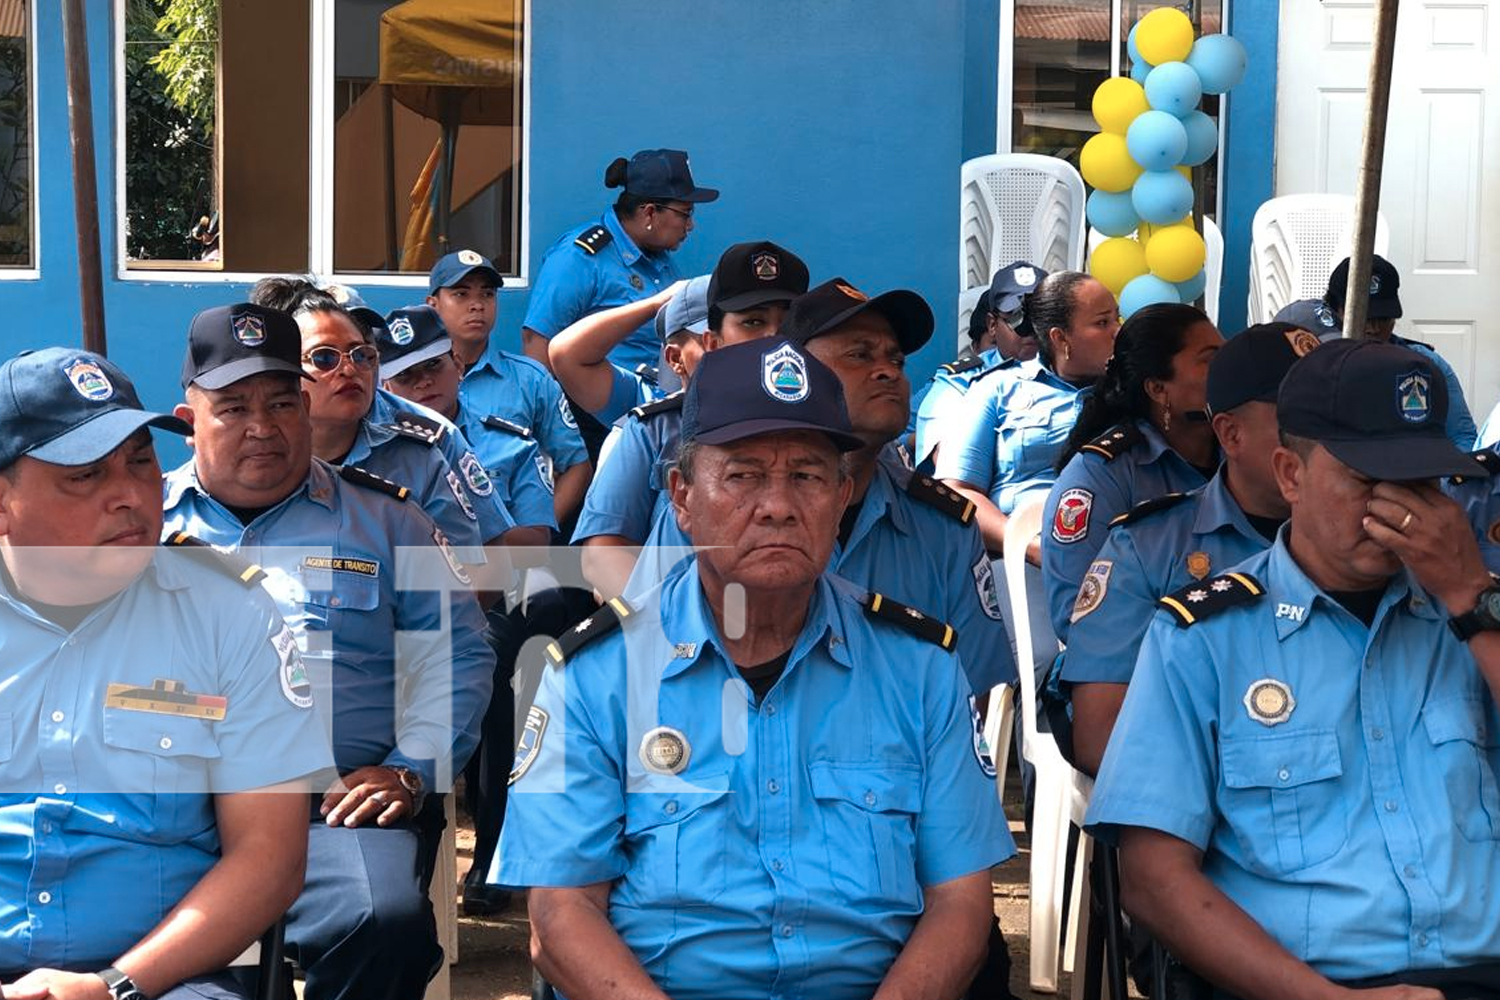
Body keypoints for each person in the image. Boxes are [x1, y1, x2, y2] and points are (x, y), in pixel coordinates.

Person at [497, 338, 1014, 1000]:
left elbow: (962, 905)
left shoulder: (919, 669)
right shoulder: (593, 675)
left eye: (807, 475)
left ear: (842, 494)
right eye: (742, 475)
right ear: (682, 498)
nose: (778, 505)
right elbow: (560, 916)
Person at [1086, 339, 1500, 999]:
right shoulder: (1203, 638)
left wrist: (1471, 602)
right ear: (1291, 475)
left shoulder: (1478, 614)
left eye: (1422, 483)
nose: (1403, 511)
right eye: (1369, 480)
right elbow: (1154, 879)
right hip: (1300, 985)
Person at [160, 303, 496, 1000]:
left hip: (331, 809)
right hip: (171, 814)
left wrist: (410, 771)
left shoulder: (390, 521)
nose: (263, 426)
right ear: (189, 418)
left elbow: (461, 656)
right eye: (233, 408)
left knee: (385, 918)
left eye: (283, 402)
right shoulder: (143, 526)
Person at [0, 348, 329, 1000]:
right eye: (85, 475)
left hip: (163, 979)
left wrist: (114, 985)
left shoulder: (230, 614)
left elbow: (271, 858)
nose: (128, 494)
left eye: (141, 460)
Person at [1060, 323, 1312, 776]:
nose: (1326, 437)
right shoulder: (1146, 546)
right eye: (1299, 417)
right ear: (1231, 435)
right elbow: (1102, 739)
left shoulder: (1370, 544)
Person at [567, 241, 810, 596]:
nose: (773, 338)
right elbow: (604, 556)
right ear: (713, 342)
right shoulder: (653, 428)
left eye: (787, 323)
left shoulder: (822, 430)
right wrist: (670, 632)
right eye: (753, 322)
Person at [249, 279, 514, 565]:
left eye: (362, 352)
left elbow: (486, 565)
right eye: (325, 357)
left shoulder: (429, 439)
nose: (349, 369)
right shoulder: (252, 439)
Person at [1040, 304, 1223, 640]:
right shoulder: (1099, 476)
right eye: (1210, 360)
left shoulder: (1244, 456)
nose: (1228, 370)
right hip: (1138, 673)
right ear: (1157, 389)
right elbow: (1079, 617)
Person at [522, 149, 719, 458]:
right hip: (596, 421)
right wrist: (556, 435)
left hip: (658, 410)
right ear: (650, 212)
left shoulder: (660, 260)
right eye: (685, 213)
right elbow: (537, 343)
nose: (690, 225)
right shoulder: (580, 257)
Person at [936, 270, 1120, 555]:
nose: (1117, 331)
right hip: (1018, 564)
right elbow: (957, 490)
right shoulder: (996, 389)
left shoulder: (1133, 394)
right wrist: (1028, 547)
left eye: (1116, 318)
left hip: (1120, 559)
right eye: (1102, 322)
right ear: (1061, 339)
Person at [427, 249, 593, 532]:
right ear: (433, 305)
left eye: (487, 294)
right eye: (461, 294)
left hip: (511, 547)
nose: (477, 305)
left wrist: (537, 528)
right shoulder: (407, 380)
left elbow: (578, 466)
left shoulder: (530, 380)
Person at [377, 304, 557, 549]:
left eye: (433, 365)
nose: (423, 382)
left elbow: (536, 545)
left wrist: (450, 532)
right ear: (386, 388)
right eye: (405, 375)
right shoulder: (371, 452)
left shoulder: (512, 445)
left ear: (458, 366)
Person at [1324, 254, 1476, 449]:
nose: (1374, 329)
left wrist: (1436, 479)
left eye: (1384, 318)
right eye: (1365, 319)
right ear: (1335, 312)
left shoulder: (1428, 365)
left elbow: (1462, 438)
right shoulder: (1318, 371)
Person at [911, 261, 1048, 471]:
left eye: (1039, 317)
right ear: (992, 325)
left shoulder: (1078, 376)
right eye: (1016, 318)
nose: (1029, 329)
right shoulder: (959, 383)